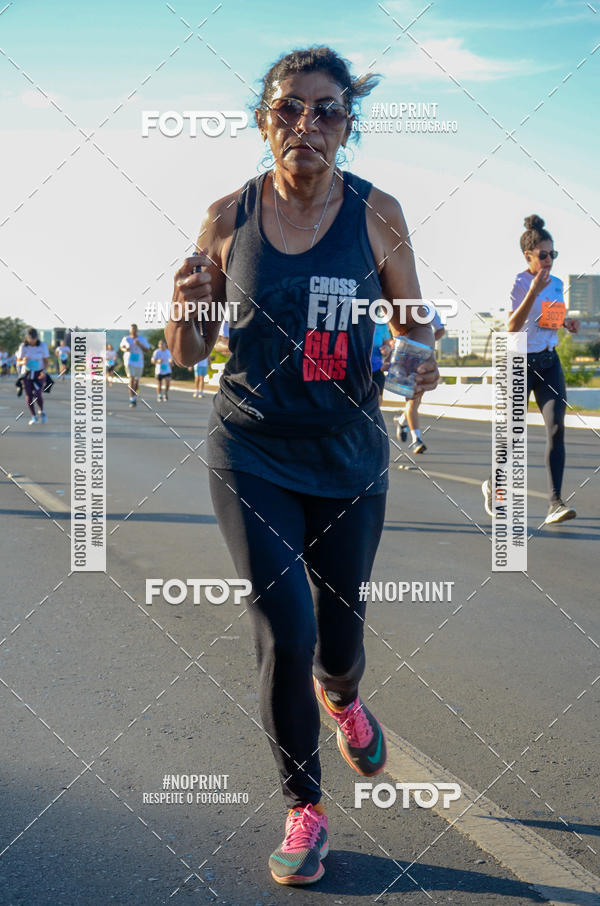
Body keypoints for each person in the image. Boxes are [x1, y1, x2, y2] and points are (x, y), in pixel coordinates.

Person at [166, 46, 439, 887]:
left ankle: (346, 697)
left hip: (350, 456)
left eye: (325, 110)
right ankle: (305, 805)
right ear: (263, 121)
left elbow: (415, 326)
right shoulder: (226, 217)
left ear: (347, 126)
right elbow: (187, 354)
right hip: (250, 449)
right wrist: (186, 310)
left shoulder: (378, 214)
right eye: (288, 108)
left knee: (338, 643)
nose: (306, 125)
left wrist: (419, 357)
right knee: (286, 630)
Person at [482, 214, 579, 525]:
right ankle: (494, 487)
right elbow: (512, 327)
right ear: (528, 256)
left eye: (553, 254)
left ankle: (555, 502)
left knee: (556, 428)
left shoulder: (558, 283)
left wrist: (566, 323)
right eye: (544, 254)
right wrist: (532, 293)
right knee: (513, 435)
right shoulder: (520, 282)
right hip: (519, 363)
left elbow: (548, 319)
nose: (550, 260)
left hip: (549, 362)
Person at [393, 308, 445, 453]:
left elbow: (441, 330)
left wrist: (426, 342)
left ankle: (402, 420)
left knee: (416, 401)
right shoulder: (400, 306)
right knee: (413, 400)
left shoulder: (429, 309)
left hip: (423, 357)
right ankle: (417, 440)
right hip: (405, 359)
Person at [16, 328, 50, 424]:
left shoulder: (42, 346)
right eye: (31, 339)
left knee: (38, 394)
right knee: (29, 395)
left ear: (37, 337)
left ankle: (42, 411)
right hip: (27, 373)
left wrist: (44, 371)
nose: (33, 341)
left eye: (34, 338)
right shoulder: (23, 346)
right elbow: (18, 361)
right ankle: (33, 416)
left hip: (39, 373)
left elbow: (46, 361)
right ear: (27, 338)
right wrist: (23, 361)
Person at [119, 324, 150, 407]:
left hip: (139, 362)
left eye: (135, 329)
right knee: (131, 379)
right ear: (130, 331)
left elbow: (147, 350)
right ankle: (131, 399)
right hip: (129, 361)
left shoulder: (142, 339)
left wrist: (139, 344)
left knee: (136, 381)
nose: (134, 331)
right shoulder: (126, 339)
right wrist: (126, 349)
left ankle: (134, 396)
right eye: (132, 329)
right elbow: (121, 348)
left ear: (137, 330)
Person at [370, 313, 393, 400]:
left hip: (376, 369)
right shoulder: (353, 323)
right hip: (356, 371)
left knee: (377, 399)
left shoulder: (381, 326)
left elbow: (388, 344)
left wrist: (386, 348)